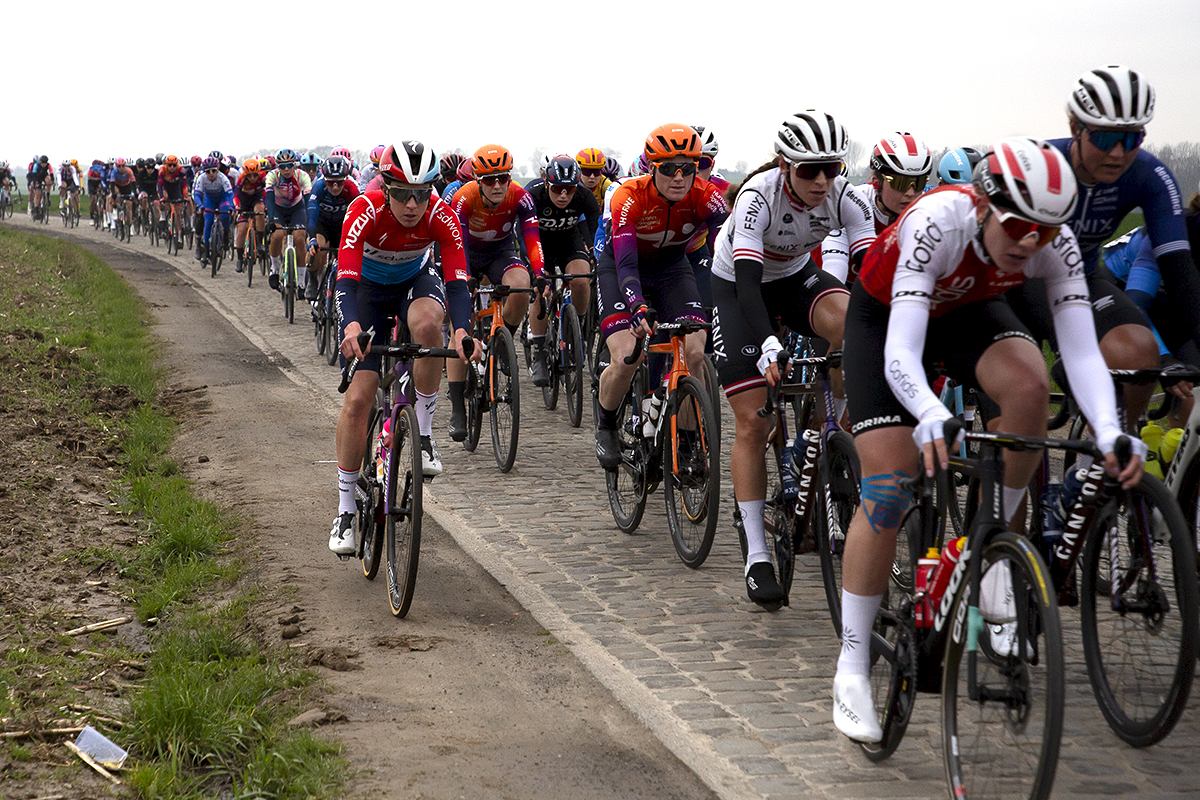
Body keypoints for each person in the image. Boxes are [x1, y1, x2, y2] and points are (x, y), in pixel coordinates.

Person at [831, 137, 1144, 743]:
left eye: (1046, 232)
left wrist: (1110, 431)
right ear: (982, 207)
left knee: (1028, 387)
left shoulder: (1053, 240)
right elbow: (901, 352)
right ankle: (850, 668)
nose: (1031, 242)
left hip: (969, 309)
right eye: (1019, 225)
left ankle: (995, 549)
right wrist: (925, 409)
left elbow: (1080, 351)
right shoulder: (934, 223)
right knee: (891, 488)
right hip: (884, 319)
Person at [711, 110, 874, 607]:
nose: (822, 180)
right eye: (808, 170)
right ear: (785, 165)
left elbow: (868, 271)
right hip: (739, 287)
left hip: (796, 278)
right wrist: (768, 344)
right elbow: (746, 282)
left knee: (852, 322)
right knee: (753, 424)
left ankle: (832, 433)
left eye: (830, 167)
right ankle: (757, 553)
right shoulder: (758, 195)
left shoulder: (846, 195)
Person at [1002, 64, 1198, 423]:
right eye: (1106, 139)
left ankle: (1106, 461)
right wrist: (1070, 351)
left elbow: (1178, 270)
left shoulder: (1149, 175)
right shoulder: (1044, 167)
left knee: (1141, 353)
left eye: (1133, 139)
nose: (1118, 154)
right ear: (1075, 128)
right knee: (1015, 425)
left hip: (1081, 278)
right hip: (1012, 285)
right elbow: (1023, 267)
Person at [329, 141, 476, 554]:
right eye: (402, 194)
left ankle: (424, 435)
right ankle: (344, 510)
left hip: (413, 283)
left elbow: (458, 281)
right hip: (367, 293)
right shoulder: (363, 210)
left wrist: (462, 332)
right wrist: (352, 325)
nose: (412, 204)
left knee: (430, 325)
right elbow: (345, 282)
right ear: (386, 186)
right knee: (359, 400)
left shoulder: (441, 215)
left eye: (421, 193)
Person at [593, 124, 729, 467]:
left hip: (672, 269)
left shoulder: (706, 195)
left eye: (689, 167)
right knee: (627, 356)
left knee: (695, 351)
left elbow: (726, 251)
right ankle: (607, 425)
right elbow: (625, 262)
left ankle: (685, 441)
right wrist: (637, 305)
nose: (680, 176)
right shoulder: (629, 196)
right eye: (669, 168)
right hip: (623, 268)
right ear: (652, 167)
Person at [446, 144, 547, 416]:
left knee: (522, 284)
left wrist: (540, 273)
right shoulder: (463, 199)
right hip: (468, 254)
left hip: (500, 254)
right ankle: (457, 405)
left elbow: (532, 239)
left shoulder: (521, 197)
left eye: (504, 178)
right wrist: (465, 277)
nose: (498, 185)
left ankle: (502, 343)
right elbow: (459, 246)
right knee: (461, 323)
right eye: (490, 180)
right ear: (478, 181)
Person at [306, 155, 360, 298]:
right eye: (331, 183)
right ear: (325, 180)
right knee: (317, 249)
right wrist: (311, 238)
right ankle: (312, 280)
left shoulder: (352, 188)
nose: (335, 186)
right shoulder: (318, 187)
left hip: (342, 225)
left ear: (346, 179)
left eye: (339, 182)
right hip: (322, 224)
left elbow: (359, 216)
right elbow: (311, 216)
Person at [265, 148, 313, 290]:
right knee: (278, 235)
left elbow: (308, 198)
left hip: (297, 208)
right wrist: (271, 220)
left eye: (289, 165)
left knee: (299, 238)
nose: (286, 169)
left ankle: (302, 281)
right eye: (282, 166)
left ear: (294, 165)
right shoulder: (272, 176)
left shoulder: (302, 176)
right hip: (278, 209)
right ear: (278, 167)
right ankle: (274, 268)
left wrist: (310, 219)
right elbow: (269, 198)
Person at [192, 157, 234, 263]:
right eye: (208, 171)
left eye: (214, 170)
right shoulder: (202, 178)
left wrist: (232, 206)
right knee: (208, 220)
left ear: (218, 170)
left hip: (222, 198)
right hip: (209, 199)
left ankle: (225, 235)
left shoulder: (223, 178)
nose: (211, 173)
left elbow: (230, 193)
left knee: (225, 216)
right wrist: (200, 205)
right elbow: (197, 194)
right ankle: (206, 250)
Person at [232, 157, 268, 271]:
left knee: (260, 211)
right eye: (249, 175)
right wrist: (237, 207)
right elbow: (236, 195)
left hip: (257, 198)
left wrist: (267, 206)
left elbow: (268, 191)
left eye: (255, 175)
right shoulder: (241, 178)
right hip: (244, 201)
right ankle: (239, 258)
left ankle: (260, 241)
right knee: (242, 229)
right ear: (245, 174)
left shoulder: (263, 177)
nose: (252, 178)